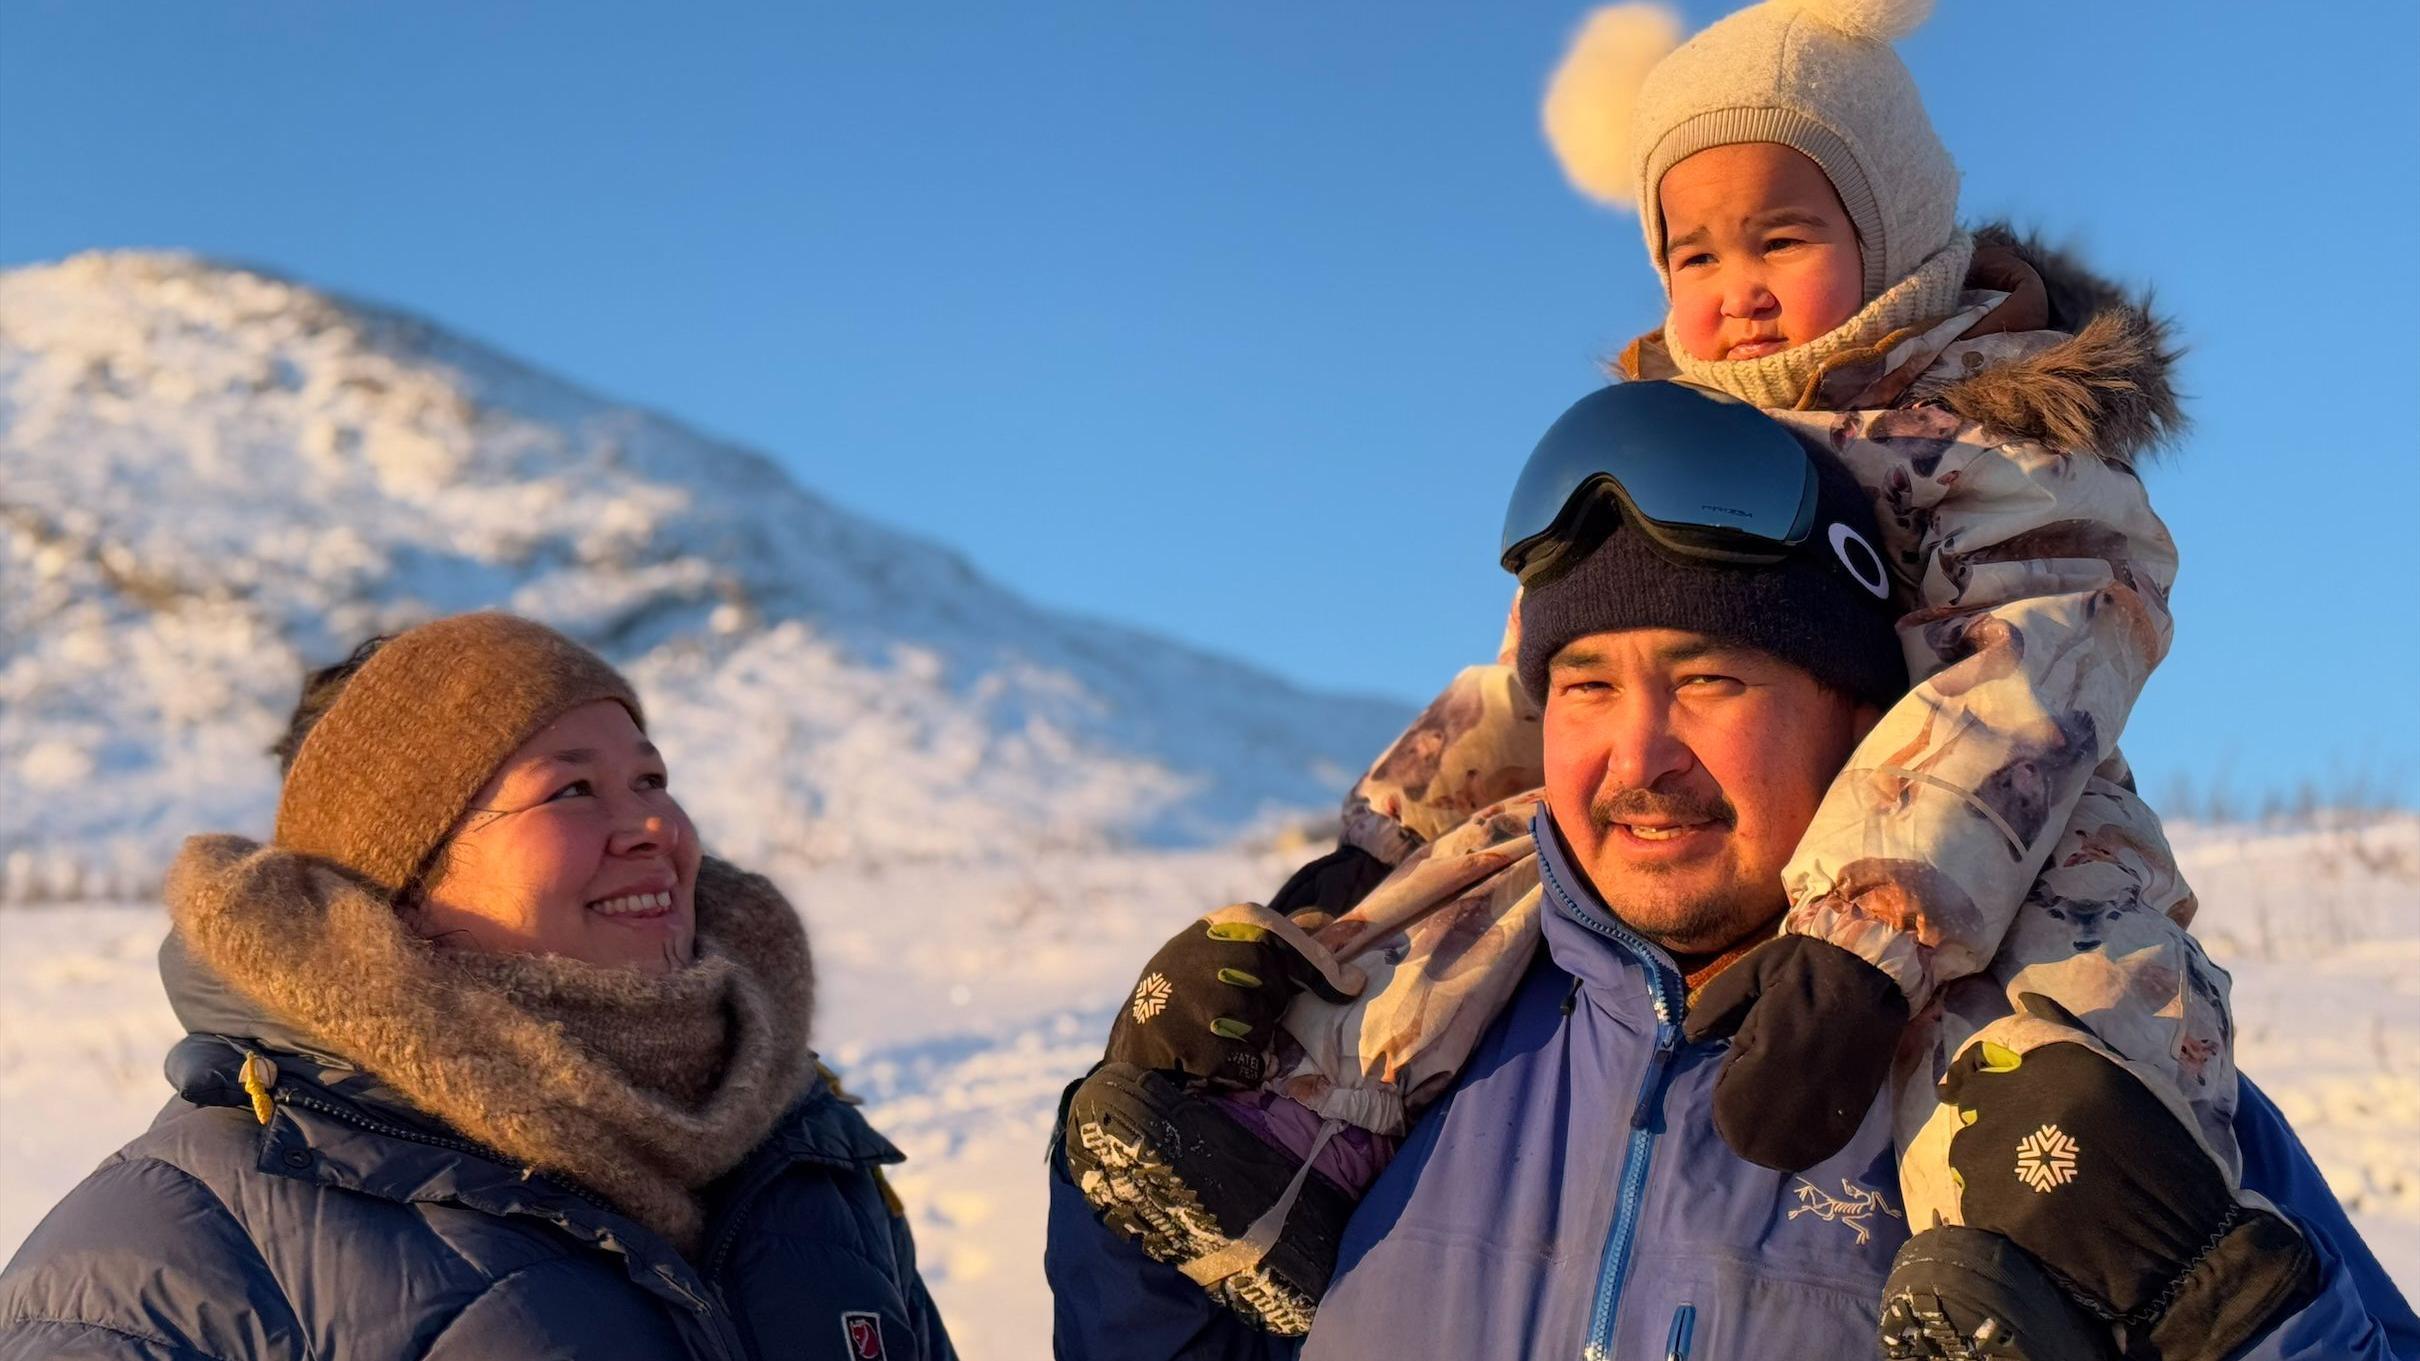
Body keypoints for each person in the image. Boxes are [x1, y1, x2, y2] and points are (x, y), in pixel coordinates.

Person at [1060, 0, 2291, 1353]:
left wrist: (1864, 944)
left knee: (2061, 997)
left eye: (1784, 237)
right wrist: (1366, 868)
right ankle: (1301, 1141)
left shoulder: (2002, 439)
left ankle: (2024, 1262)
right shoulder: (1651, 451)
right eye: (1690, 252)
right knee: (1489, 887)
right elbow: (1524, 693)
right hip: (1780, 881)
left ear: (1893, 235)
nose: (1737, 287)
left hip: (1992, 818)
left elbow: (2010, 696)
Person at [1047, 386, 2419, 1359]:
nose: (1637, 756)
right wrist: (1128, 1181)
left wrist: (2226, 1313)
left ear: (1857, 714)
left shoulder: (2066, 1092)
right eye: (1583, 685)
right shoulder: (1380, 1064)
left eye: (1711, 681)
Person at [0, 612, 956, 1361]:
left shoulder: (799, 1161)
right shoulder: (172, 1258)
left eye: (651, 778)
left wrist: (1107, 1257)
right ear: (405, 880)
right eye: (572, 789)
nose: (656, 827)